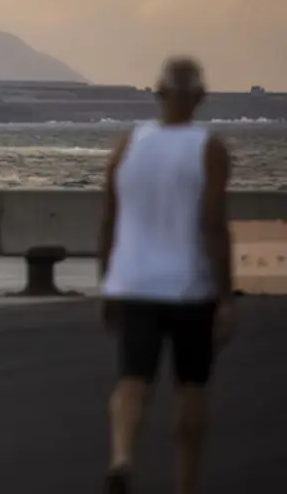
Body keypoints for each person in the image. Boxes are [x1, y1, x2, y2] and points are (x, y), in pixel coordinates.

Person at [97, 56, 236, 494]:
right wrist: (225, 295)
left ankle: (122, 456)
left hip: (134, 283)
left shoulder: (127, 145)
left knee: (132, 380)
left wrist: (107, 281)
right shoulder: (209, 148)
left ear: (158, 93)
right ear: (200, 96)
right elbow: (214, 224)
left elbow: (109, 219)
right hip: (190, 286)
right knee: (191, 386)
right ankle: (186, 485)